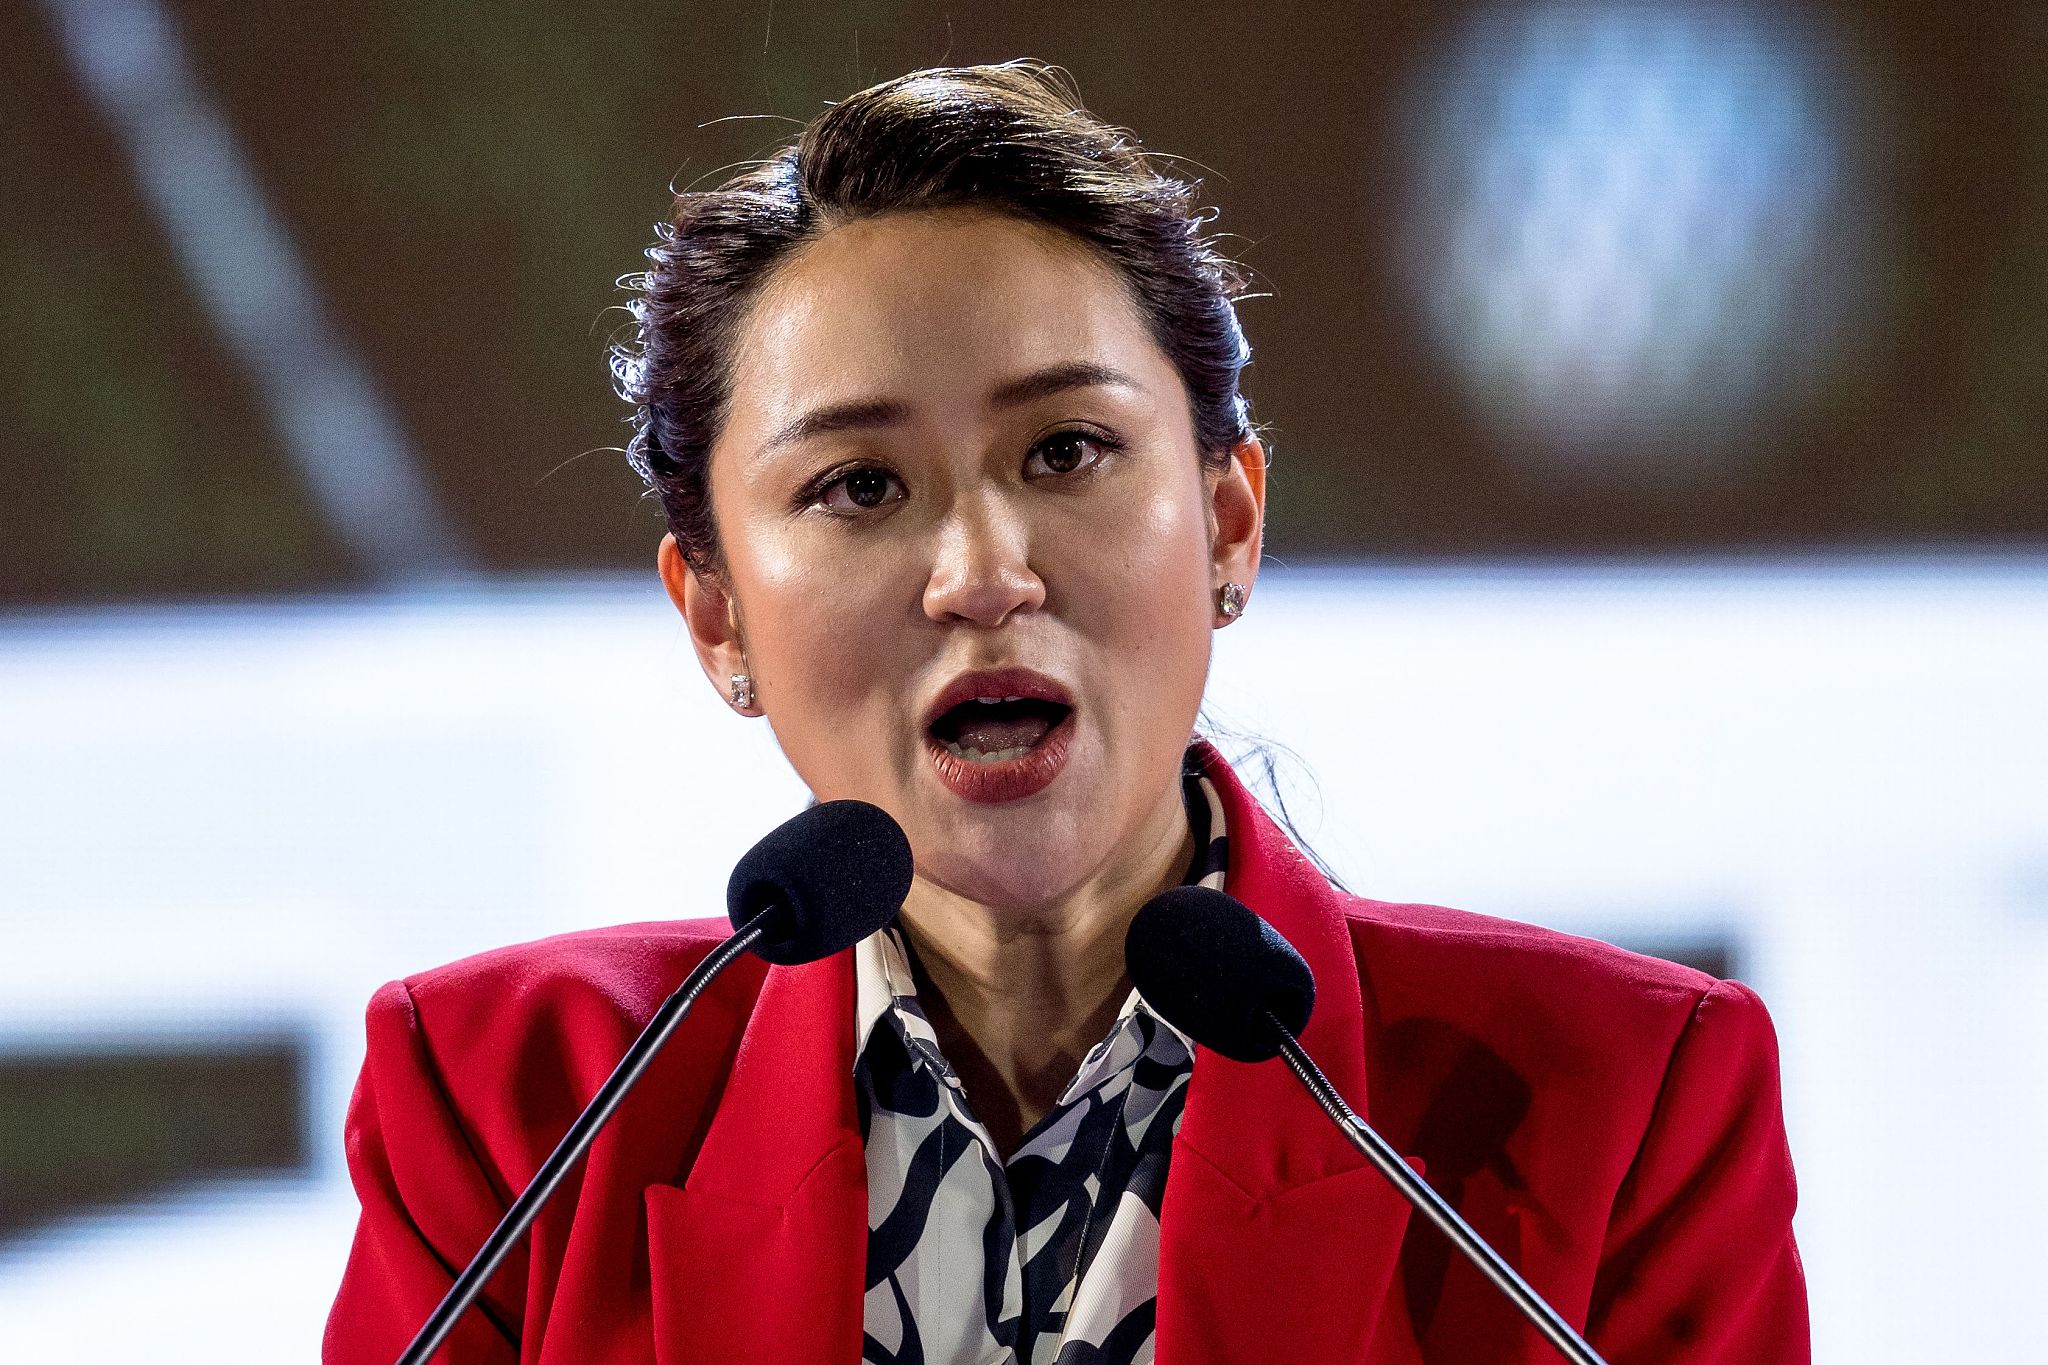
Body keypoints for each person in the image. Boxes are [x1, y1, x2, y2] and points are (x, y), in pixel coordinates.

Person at [323, 62, 1807, 1365]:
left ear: (1228, 524)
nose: (983, 574)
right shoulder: (511, 1113)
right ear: (715, 611)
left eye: (1069, 450)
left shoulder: (1620, 1103)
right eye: (859, 486)